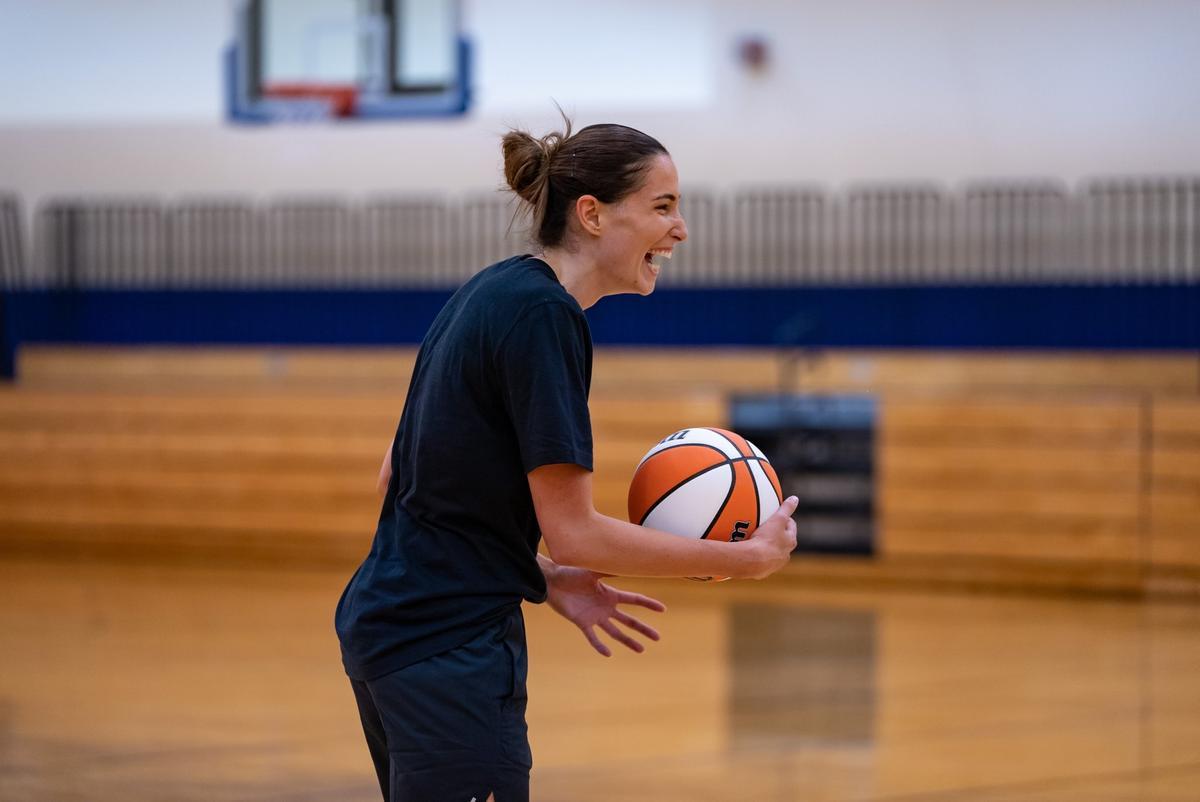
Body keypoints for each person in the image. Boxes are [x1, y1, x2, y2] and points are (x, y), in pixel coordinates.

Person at [335, 118, 800, 802]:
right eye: (662, 206)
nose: (681, 229)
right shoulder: (545, 318)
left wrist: (542, 576)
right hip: (447, 648)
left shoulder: (492, 291)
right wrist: (743, 558)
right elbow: (576, 532)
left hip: (391, 631)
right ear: (591, 214)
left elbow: (399, 478)